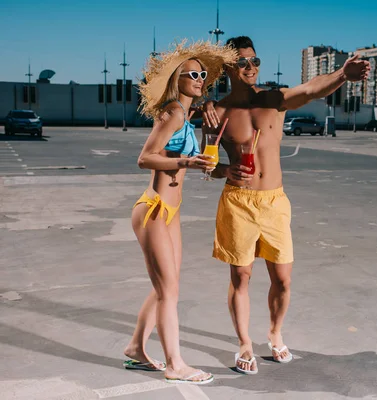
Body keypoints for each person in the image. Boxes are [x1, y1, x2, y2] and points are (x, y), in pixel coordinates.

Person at [202, 36, 370, 374]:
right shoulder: (217, 112)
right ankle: (244, 344)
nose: (251, 67)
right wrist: (223, 168)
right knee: (242, 278)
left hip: (274, 201)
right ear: (229, 68)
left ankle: (275, 333)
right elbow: (206, 166)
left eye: (255, 60)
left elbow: (311, 89)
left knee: (283, 280)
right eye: (243, 62)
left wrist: (342, 74)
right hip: (238, 202)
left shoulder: (274, 100)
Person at [124, 40, 236, 384]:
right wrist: (185, 160)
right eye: (193, 74)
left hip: (171, 212)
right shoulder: (172, 111)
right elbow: (145, 158)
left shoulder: (187, 115)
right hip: (155, 209)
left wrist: (220, 167)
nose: (200, 79)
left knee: (165, 287)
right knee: (169, 290)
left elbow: (201, 165)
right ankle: (175, 363)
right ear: (177, 79)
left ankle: (135, 349)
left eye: (203, 74)